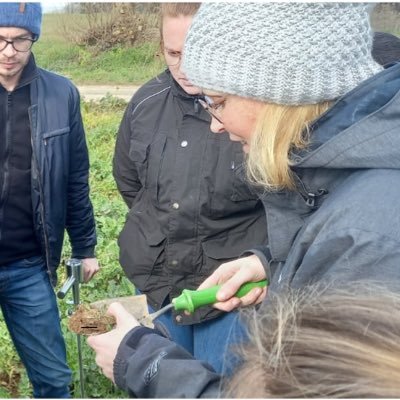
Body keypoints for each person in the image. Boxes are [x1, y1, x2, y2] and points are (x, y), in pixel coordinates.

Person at [88, 2, 400, 396]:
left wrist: (146, 365)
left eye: (218, 103)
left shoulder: (369, 240)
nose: (215, 125)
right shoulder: (354, 199)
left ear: (281, 90)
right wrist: (276, 265)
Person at [112, 3, 267, 372]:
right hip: (158, 286)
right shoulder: (145, 103)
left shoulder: (256, 108)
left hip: (228, 296)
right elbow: (130, 182)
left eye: (195, 53)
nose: (183, 67)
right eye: (173, 53)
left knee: (224, 387)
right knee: (157, 380)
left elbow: (287, 202)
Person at [0, 3, 99, 398]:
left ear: (34, 39)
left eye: (19, 39)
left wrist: (86, 246)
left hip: (27, 265)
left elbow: (75, 177)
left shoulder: (61, 94)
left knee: (55, 381)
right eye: (0, 38)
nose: (8, 50)